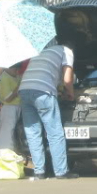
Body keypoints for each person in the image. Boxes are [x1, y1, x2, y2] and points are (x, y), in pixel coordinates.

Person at [19, 40, 79, 180]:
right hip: (42, 92)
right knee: (54, 132)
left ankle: (39, 171)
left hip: (24, 89)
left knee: (33, 132)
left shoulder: (40, 52)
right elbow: (67, 79)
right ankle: (61, 171)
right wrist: (71, 94)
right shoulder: (66, 51)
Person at [0, 63, 23, 151]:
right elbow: (8, 98)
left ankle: (12, 150)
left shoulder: (17, 77)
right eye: (15, 69)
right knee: (7, 131)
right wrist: (18, 88)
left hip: (18, 106)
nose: (17, 71)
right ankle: (4, 150)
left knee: (13, 131)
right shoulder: (4, 77)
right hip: (8, 107)